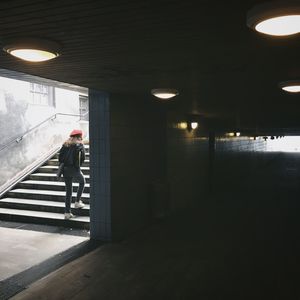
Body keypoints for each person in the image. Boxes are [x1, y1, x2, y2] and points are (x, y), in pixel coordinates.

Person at [59, 129, 86, 219]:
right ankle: (77, 202)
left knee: (68, 191)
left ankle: (67, 213)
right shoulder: (80, 145)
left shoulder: (65, 145)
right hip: (74, 169)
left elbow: (60, 158)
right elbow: (82, 158)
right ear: (79, 137)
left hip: (65, 170)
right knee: (82, 182)